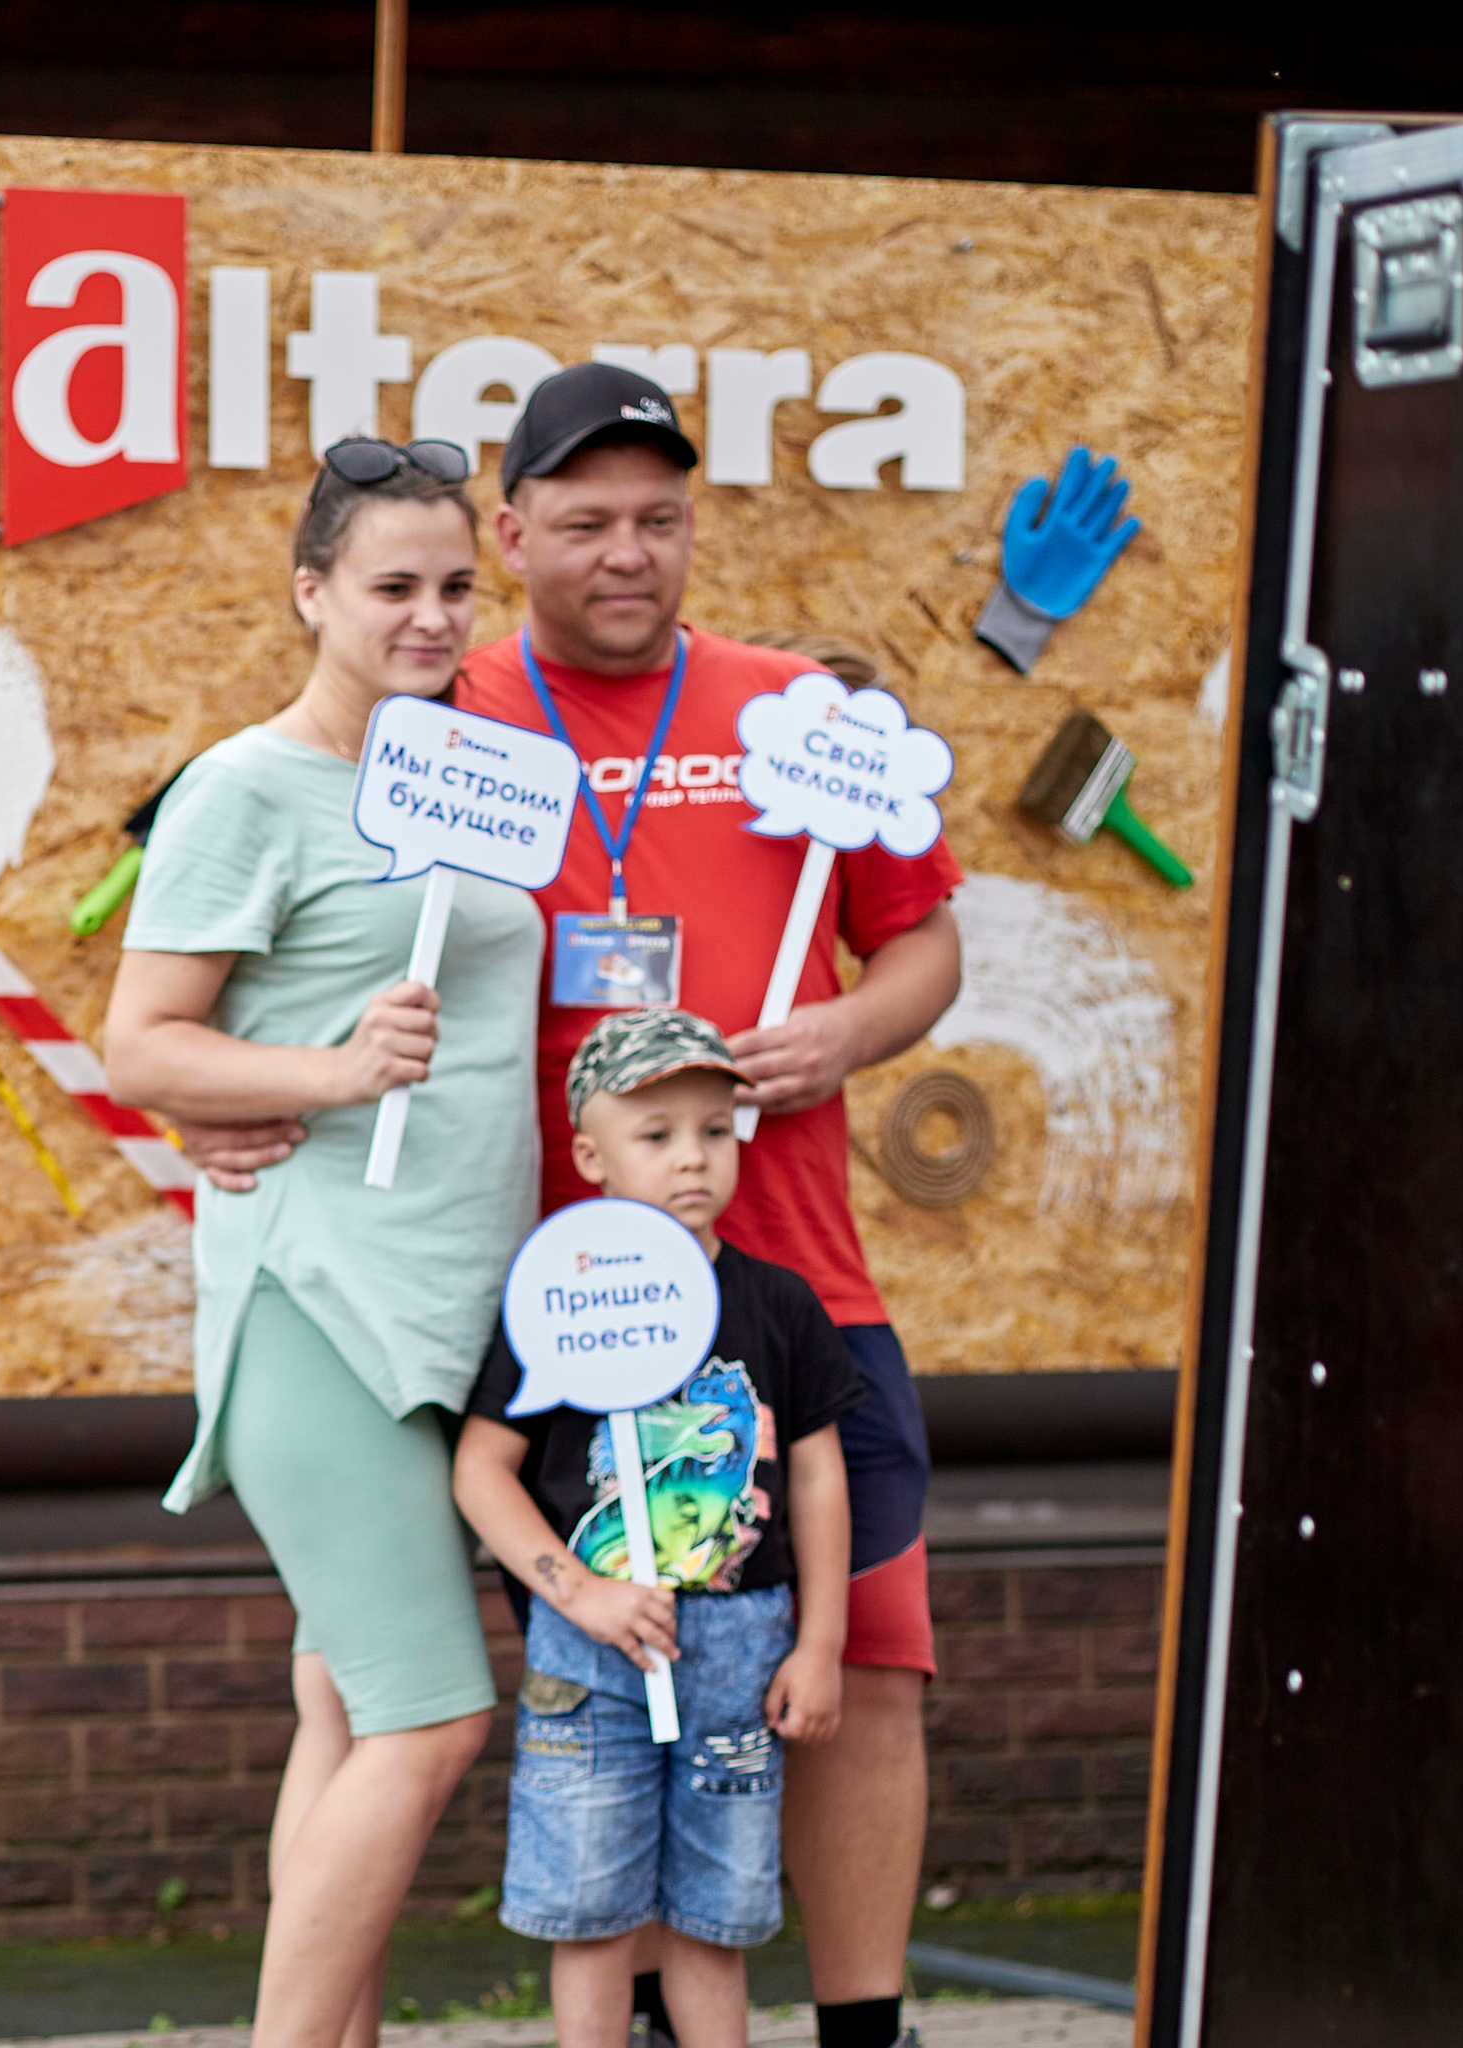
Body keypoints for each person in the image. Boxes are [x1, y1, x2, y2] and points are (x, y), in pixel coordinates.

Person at [182, 365, 961, 2048]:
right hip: (511, 1300)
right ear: (513, 537)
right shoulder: (426, 720)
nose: (629, 552)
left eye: (660, 519)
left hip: (784, 1278)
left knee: (858, 1659)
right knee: (387, 1682)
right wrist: (225, 1108)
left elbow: (922, 938)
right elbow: (252, 950)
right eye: (585, 520)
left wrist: (852, 1024)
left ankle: (860, 2025)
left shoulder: (796, 720)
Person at [101, 439, 538, 2048]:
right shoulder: (246, 785)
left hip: (455, 1303)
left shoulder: (472, 774)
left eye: (451, 590)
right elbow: (143, 1043)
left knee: (351, 1703)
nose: (428, 619)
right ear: (314, 593)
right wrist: (333, 1072)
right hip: (321, 1302)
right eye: (391, 588)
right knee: (432, 1716)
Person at [457, 1007, 858, 2048]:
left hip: (740, 1646)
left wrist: (820, 1643)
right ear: (589, 1153)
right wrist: (575, 1587)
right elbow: (480, 1468)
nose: (692, 1157)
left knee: (712, 1916)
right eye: (656, 1133)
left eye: (713, 1130)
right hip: (589, 1652)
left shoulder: (777, 1303)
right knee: (588, 1910)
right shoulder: (550, 1302)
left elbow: (815, 1476)